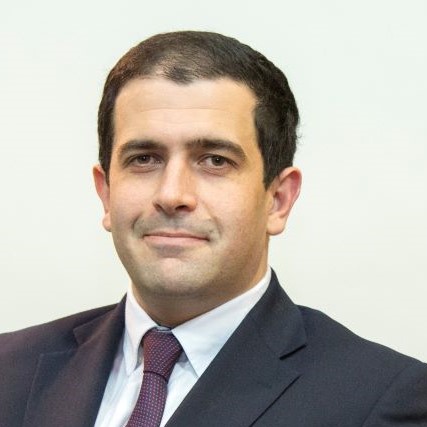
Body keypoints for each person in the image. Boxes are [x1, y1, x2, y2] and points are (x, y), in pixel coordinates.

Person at [0, 31, 426, 427]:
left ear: (278, 200)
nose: (172, 194)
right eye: (144, 159)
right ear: (106, 193)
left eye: (215, 161)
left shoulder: (380, 400)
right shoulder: (9, 370)